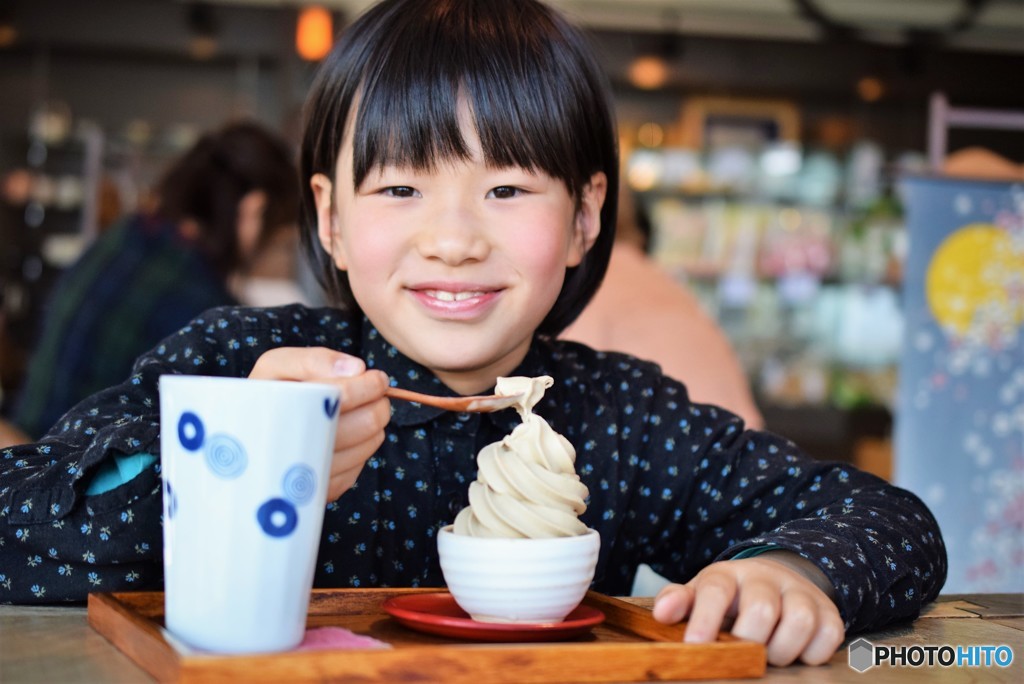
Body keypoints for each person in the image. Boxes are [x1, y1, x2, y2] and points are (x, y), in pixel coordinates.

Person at [0, 0, 945, 668]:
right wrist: (223, 471)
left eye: (506, 189)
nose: (452, 240)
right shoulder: (234, 368)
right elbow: (18, 532)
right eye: (401, 189)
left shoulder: (620, 413)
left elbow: (892, 523)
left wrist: (790, 570)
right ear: (329, 217)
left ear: (584, 216)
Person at [1, 121, 301, 443]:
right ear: (254, 211)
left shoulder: (128, 233)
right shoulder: (198, 296)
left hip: (25, 452)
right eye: (277, 235)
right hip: (71, 475)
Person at [561, 184, 764, 429]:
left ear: (586, 213)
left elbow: (563, 398)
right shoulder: (656, 278)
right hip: (737, 441)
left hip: (691, 448)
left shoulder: (592, 281)